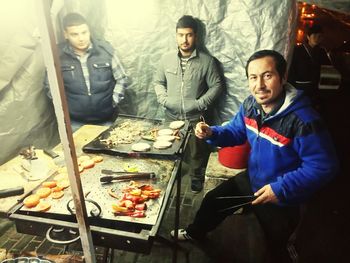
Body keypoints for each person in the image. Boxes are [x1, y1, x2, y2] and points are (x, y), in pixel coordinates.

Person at [171, 50, 338, 262]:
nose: (259, 85)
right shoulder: (250, 105)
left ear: (283, 77)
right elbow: (236, 132)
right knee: (214, 201)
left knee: (277, 247)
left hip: (284, 196)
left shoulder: (304, 120)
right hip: (254, 179)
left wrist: (280, 188)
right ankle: (195, 232)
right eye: (253, 77)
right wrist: (212, 132)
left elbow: (324, 166)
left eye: (267, 75)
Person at [153, 15, 223, 193]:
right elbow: (158, 82)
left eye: (189, 35)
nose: (184, 40)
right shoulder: (166, 59)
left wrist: (200, 104)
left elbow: (216, 85)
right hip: (171, 116)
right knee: (170, 147)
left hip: (195, 118)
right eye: (180, 35)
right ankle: (173, 175)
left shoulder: (207, 61)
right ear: (176, 36)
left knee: (197, 151)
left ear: (196, 37)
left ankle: (196, 177)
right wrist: (164, 99)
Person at [45, 13, 129, 131]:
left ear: (89, 31)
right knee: (78, 150)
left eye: (84, 32)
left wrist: (113, 101)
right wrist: (64, 107)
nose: (81, 38)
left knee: (106, 148)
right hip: (74, 122)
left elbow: (122, 78)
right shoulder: (57, 57)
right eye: (75, 34)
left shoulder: (106, 52)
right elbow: (51, 86)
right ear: (66, 35)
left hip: (106, 120)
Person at [288, 24, 331, 108]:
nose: (317, 38)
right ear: (308, 37)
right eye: (314, 35)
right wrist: (291, 88)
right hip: (299, 87)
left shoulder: (321, 51)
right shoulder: (297, 50)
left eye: (320, 36)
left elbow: (327, 68)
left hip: (315, 88)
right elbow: (291, 69)